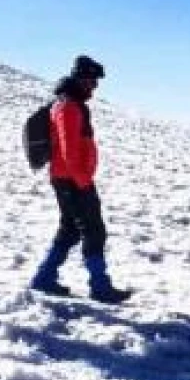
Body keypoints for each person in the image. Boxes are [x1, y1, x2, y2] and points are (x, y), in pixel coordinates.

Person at [29, 55, 131, 303]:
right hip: (72, 179)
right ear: (81, 79)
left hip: (68, 178)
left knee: (71, 229)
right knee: (93, 230)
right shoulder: (68, 106)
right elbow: (68, 149)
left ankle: (44, 278)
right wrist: (83, 181)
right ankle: (100, 287)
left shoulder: (70, 104)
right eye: (92, 82)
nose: (94, 87)